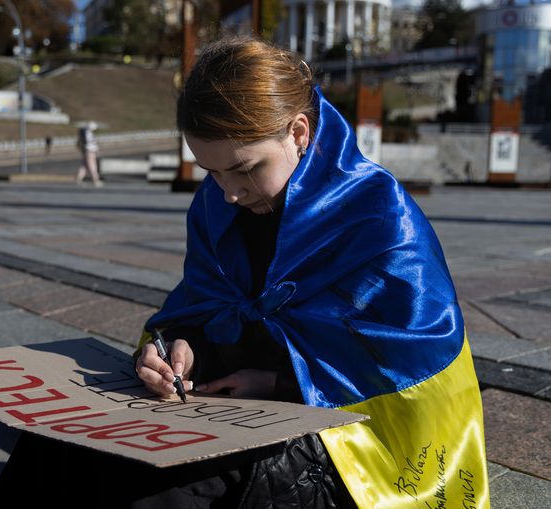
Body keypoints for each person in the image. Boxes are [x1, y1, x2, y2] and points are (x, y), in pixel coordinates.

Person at [133, 37, 489, 508]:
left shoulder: (377, 214)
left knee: (173, 488)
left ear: (298, 132)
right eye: (210, 172)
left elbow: (408, 359)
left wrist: (280, 384)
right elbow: (204, 304)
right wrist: (178, 347)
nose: (228, 194)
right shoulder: (213, 205)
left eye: (244, 169)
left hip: (363, 444)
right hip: (241, 406)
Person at [76, 121, 104, 187]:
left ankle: (78, 179)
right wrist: (96, 150)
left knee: (84, 166)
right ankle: (95, 180)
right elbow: (90, 144)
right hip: (90, 151)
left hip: (87, 151)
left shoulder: (84, 133)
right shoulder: (88, 134)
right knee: (92, 166)